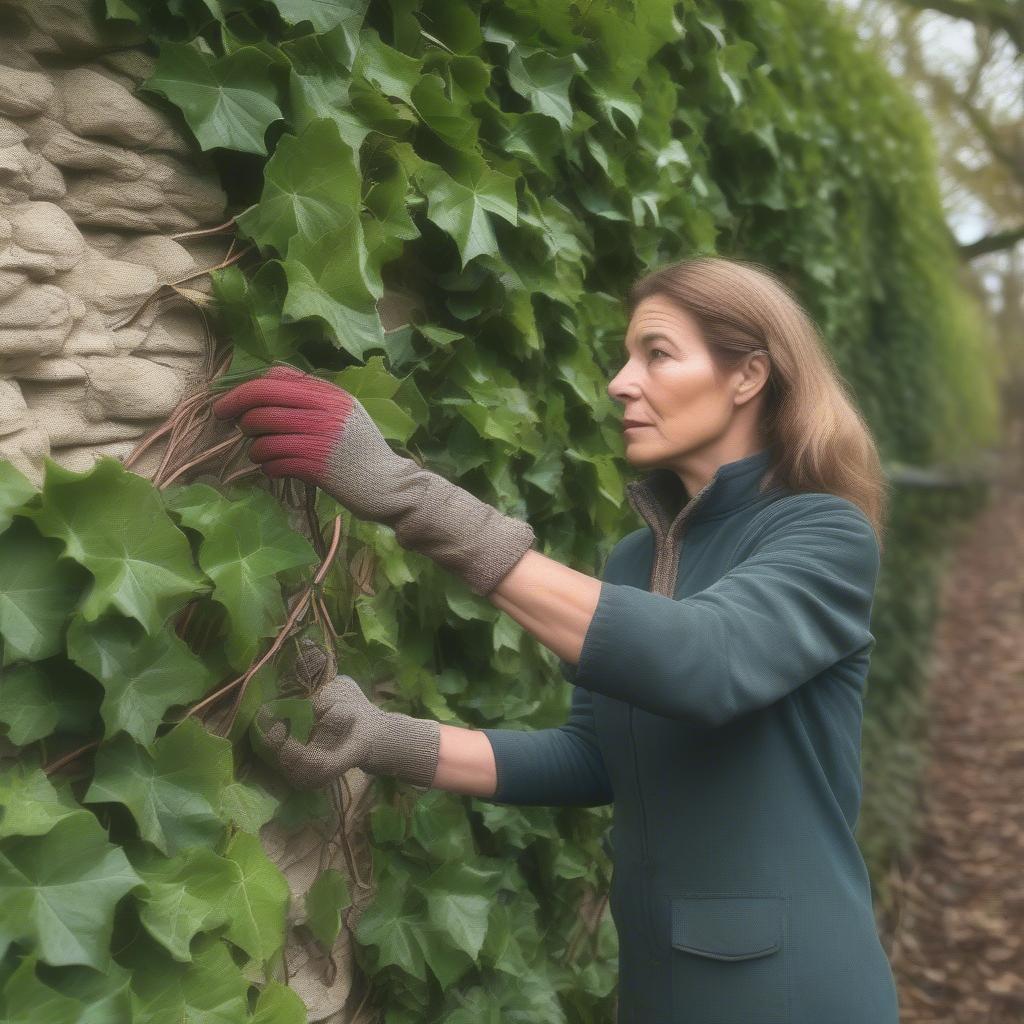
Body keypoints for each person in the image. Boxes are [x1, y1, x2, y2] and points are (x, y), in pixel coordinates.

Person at [211, 255, 900, 1024]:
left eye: (657, 354)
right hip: (656, 984)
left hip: (792, 989)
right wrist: (384, 738)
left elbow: (706, 661)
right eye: (625, 355)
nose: (619, 380)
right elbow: (593, 758)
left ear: (748, 376)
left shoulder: (824, 533)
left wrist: (410, 495)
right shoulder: (637, 559)